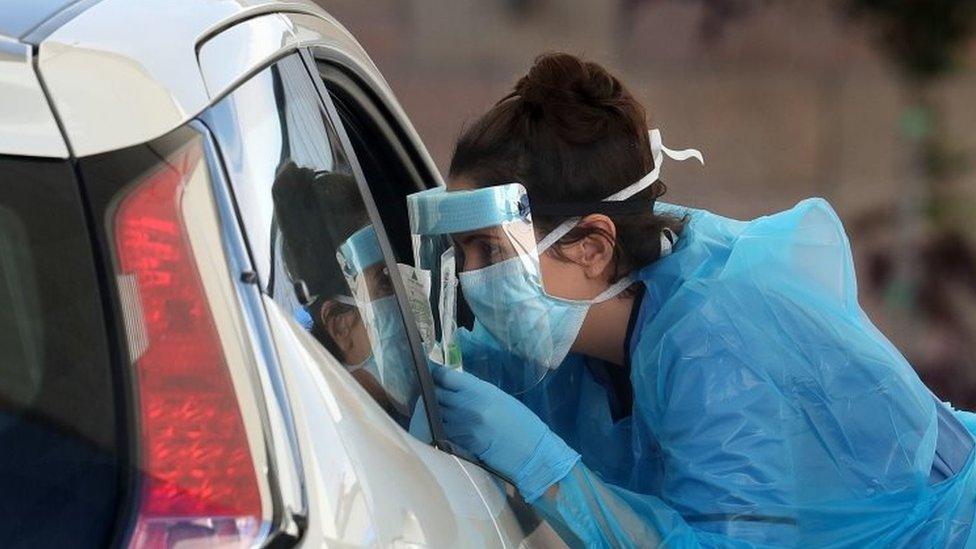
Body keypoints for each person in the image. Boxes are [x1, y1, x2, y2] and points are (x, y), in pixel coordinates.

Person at [406, 53, 976, 547]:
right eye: (461, 253)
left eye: (487, 250)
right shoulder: (578, 333)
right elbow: (461, 378)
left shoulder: (715, 344)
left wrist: (543, 467)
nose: (472, 280)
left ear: (592, 247)